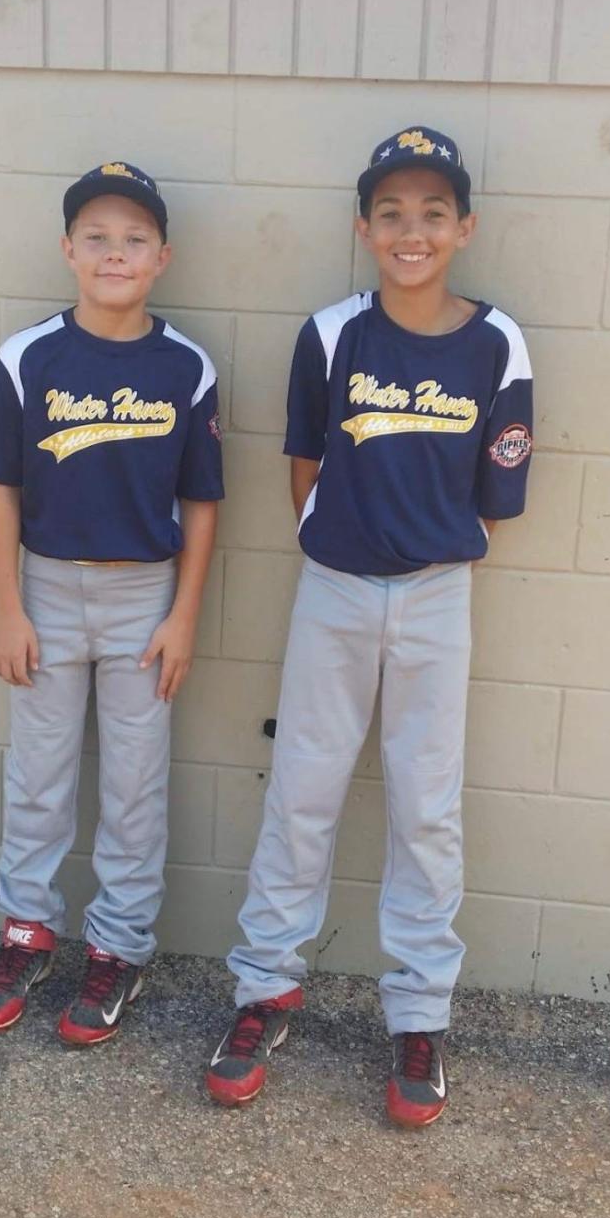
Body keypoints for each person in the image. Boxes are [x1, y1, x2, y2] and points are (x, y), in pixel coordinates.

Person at [206, 126, 533, 1126]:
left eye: (434, 212)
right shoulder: (332, 331)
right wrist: (329, 536)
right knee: (303, 787)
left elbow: (498, 495)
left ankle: (419, 1013)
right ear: (363, 226)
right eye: (391, 211)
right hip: (336, 588)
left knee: (426, 804)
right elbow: (302, 461)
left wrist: (436, 546)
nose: (412, 230)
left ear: (465, 226)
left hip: (438, 591)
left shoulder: (496, 342)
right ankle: (265, 989)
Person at [0, 162, 223, 1044]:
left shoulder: (185, 366)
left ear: (163, 257)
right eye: (98, 237)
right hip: (46, 587)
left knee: (134, 784)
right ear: (68, 250)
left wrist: (183, 613)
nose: (116, 252)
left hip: (144, 598)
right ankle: (26, 931)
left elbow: (203, 501)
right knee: (37, 777)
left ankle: (117, 947)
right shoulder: (30, 355)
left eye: (135, 238)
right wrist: (8, 605)